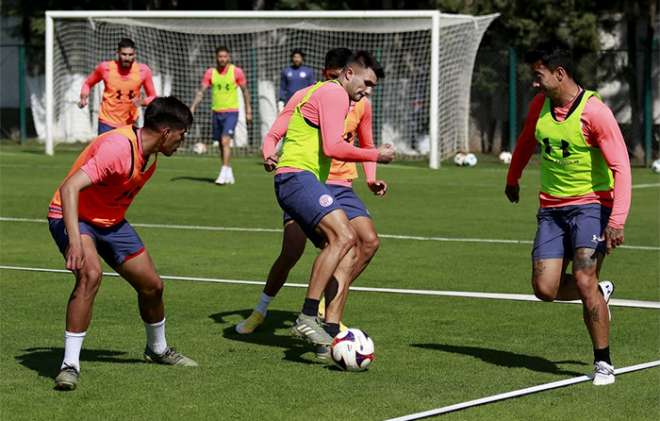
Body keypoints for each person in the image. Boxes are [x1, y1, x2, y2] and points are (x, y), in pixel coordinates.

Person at [236, 48, 387, 345]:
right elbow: (330, 146)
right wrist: (376, 154)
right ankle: (302, 315)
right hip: (297, 178)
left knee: (349, 247)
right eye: (366, 84)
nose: (368, 92)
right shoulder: (332, 94)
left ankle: (329, 332)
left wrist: (370, 175)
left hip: (316, 182)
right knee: (329, 242)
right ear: (344, 74)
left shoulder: (345, 100)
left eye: (372, 87)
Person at [48, 97, 197, 391]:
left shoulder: (149, 153)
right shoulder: (118, 149)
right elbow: (69, 188)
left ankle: (157, 349)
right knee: (90, 275)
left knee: (153, 286)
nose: (183, 141)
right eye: (182, 134)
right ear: (167, 131)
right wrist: (75, 242)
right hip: (73, 216)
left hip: (110, 222)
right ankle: (69, 365)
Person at [505, 41, 631, 386]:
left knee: (584, 278)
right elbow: (526, 141)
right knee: (544, 288)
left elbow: (622, 166)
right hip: (551, 209)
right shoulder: (539, 105)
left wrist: (617, 220)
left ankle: (603, 363)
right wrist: (512, 177)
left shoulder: (594, 112)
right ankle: (600, 294)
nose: (534, 82)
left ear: (559, 73)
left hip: (592, 206)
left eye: (538, 74)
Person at [190, 46, 252, 185]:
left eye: (225, 56)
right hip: (216, 112)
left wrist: (248, 110)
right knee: (220, 144)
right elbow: (201, 92)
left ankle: (223, 173)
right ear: (216, 57)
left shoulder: (236, 72)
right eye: (220, 56)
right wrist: (193, 106)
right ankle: (228, 171)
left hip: (232, 112)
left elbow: (245, 91)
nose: (222, 59)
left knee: (225, 140)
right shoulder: (210, 73)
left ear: (229, 57)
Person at [79, 38, 157, 135]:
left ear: (135, 54)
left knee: (128, 150)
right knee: (107, 150)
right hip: (106, 122)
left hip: (129, 123)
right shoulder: (105, 68)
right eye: (124, 54)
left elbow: (153, 96)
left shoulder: (143, 71)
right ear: (118, 53)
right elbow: (88, 83)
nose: (127, 58)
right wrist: (83, 97)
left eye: (130, 55)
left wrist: (142, 102)